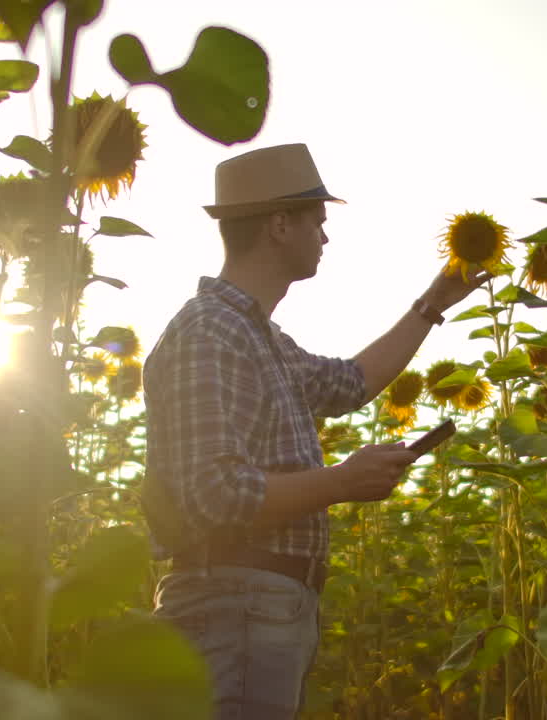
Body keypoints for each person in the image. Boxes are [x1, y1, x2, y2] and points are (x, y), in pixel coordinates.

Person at [142, 143, 486, 720]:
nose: (325, 237)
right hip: (233, 603)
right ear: (280, 225)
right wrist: (342, 481)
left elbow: (350, 383)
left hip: (260, 605)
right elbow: (215, 495)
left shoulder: (263, 339)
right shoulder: (210, 332)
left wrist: (433, 303)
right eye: (318, 221)